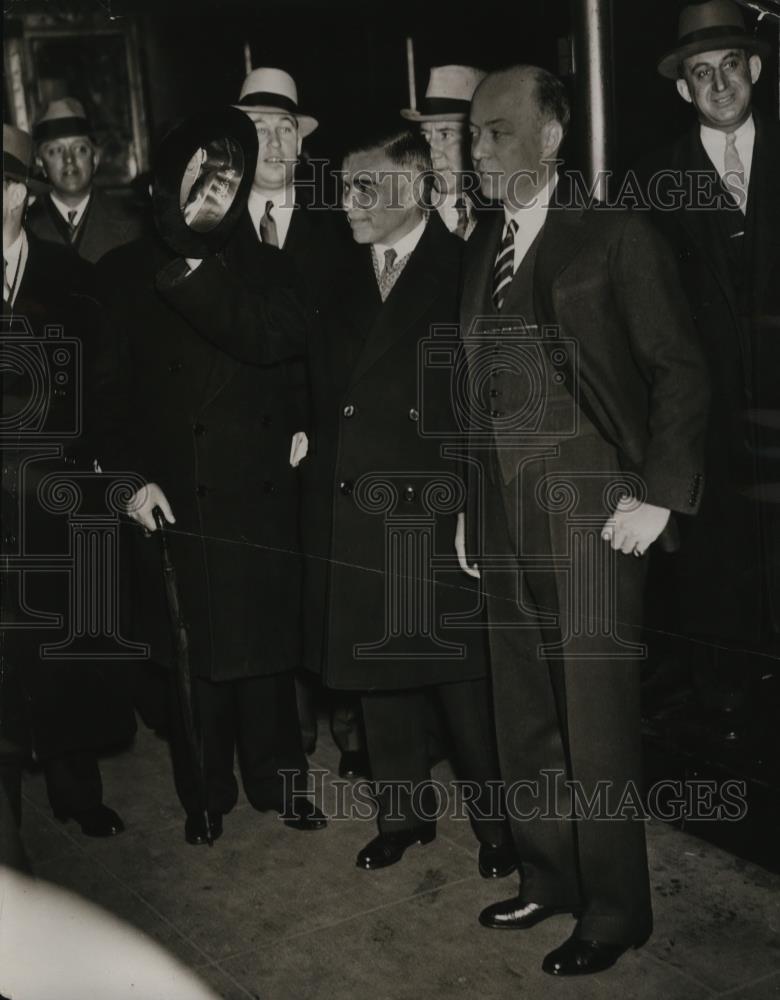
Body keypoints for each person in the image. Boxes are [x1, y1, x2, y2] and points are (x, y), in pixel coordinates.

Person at [459, 66, 710, 975]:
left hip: (598, 520)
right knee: (525, 714)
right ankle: (551, 877)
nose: (477, 150)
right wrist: (469, 515)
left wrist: (659, 496)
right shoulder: (484, 250)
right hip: (504, 524)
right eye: (471, 135)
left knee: (597, 728)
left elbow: (681, 370)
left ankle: (615, 911)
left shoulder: (615, 234)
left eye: (496, 132)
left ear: (552, 135)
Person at [96, 106, 327, 845]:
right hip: (174, 495)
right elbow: (101, 402)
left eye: (223, 177)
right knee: (195, 661)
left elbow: (291, 352)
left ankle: (281, 784)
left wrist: (302, 424)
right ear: (167, 185)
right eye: (197, 177)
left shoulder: (270, 263)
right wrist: (127, 481)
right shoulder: (124, 276)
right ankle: (205, 795)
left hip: (260, 490)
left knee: (267, 657)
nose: (212, 193)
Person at [301, 125, 513, 878]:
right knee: (377, 676)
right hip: (359, 507)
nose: (348, 203)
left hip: (437, 513)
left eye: (365, 188)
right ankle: (403, 817)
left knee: (463, 686)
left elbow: (489, 406)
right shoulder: (337, 273)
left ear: (416, 188)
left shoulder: (466, 271)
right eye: (344, 187)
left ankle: (499, 830)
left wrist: (474, 512)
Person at [639, 0, 779, 734]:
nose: (719, 83)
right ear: (682, 89)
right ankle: (727, 716)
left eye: (731, 66)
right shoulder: (654, 182)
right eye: (702, 73)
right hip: (707, 427)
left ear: (754, 69)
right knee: (716, 578)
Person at [234, 66, 367, 778]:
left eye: (286, 128)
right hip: (248, 439)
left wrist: (321, 420)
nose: (276, 142)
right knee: (268, 582)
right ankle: (289, 731)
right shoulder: (217, 228)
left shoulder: (337, 224)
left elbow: (353, 332)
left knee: (332, 574)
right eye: (260, 129)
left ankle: (351, 725)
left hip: (325, 430)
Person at [2, 124, 134, 838]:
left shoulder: (66, 274)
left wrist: (100, 469)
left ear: (23, 192)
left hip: (53, 487)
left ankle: (76, 791)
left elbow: (105, 380)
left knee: (61, 640)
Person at [27, 98, 144, 263]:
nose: (69, 159)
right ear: (40, 162)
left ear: (95, 157)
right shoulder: (23, 227)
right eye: (55, 150)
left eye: (80, 148)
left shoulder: (132, 224)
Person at [401, 65, 485, 240]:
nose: (433, 152)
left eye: (445, 135)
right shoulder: (405, 217)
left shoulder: (500, 213)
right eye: (426, 136)